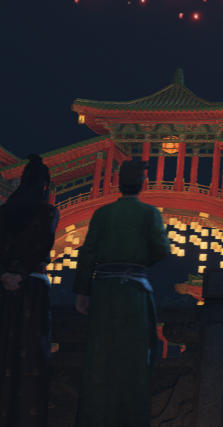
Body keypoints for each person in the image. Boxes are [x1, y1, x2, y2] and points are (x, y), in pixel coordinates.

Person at [73, 159, 172, 427]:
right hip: (133, 293)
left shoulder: (102, 213)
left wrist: (82, 291)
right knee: (135, 357)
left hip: (103, 292)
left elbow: (88, 252)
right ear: (142, 184)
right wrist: (138, 263)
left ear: (119, 184)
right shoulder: (149, 213)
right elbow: (162, 248)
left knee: (100, 356)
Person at [0, 154, 60, 427]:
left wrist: (5, 273)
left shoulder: (3, 212)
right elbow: (42, 246)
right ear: (44, 185)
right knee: (30, 351)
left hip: (2, 288)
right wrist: (21, 274)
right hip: (31, 287)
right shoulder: (48, 212)